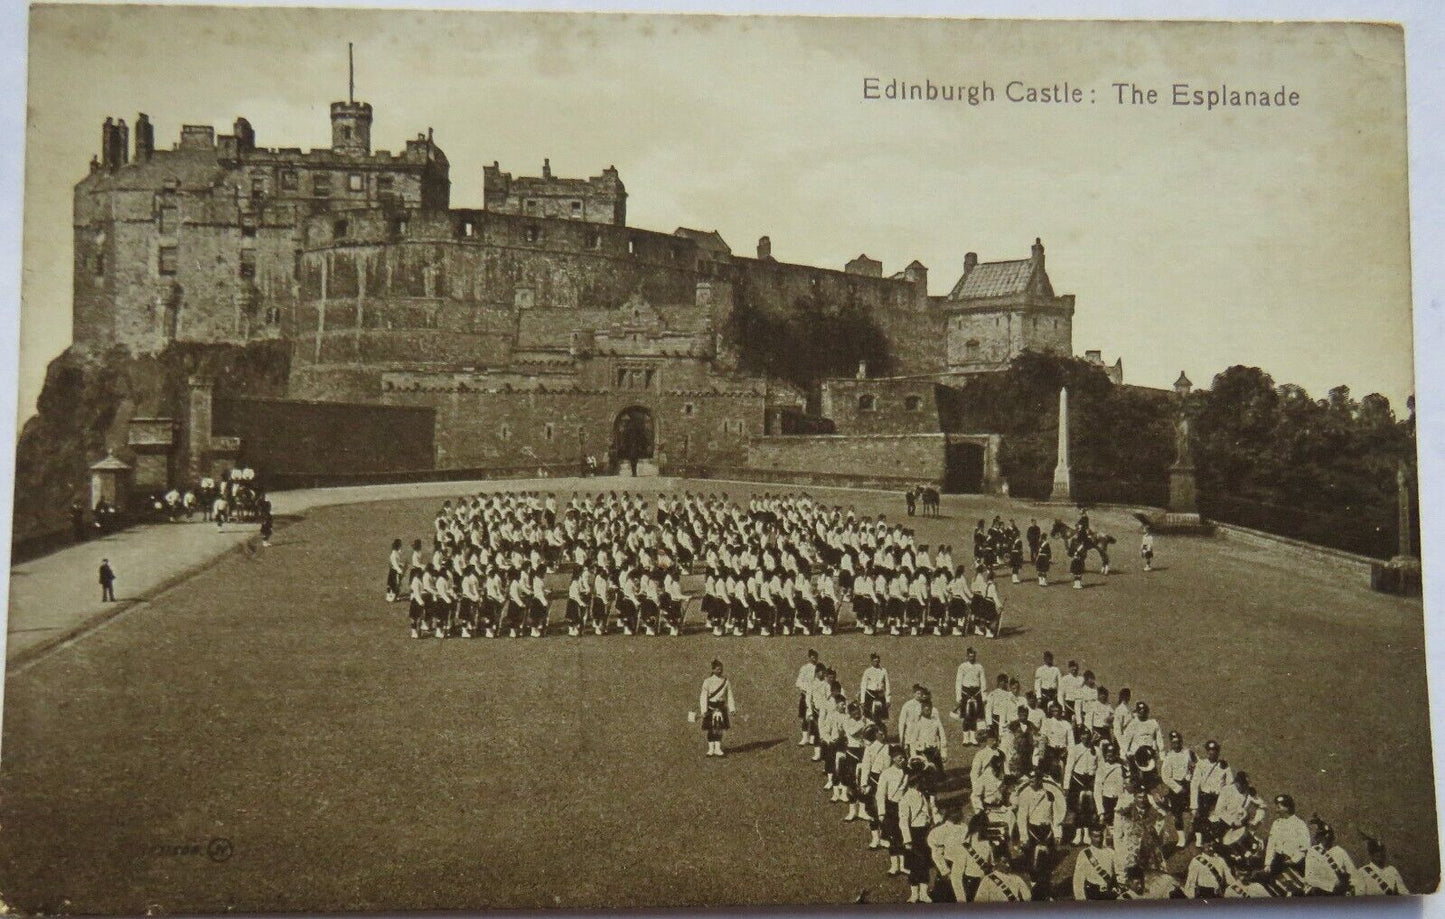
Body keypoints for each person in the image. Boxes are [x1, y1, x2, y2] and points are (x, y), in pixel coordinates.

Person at [899, 762, 939, 902]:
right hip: (914, 834)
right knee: (915, 865)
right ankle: (914, 894)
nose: (924, 783)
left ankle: (924, 893)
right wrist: (907, 840)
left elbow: (930, 810)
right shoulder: (906, 799)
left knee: (925, 864)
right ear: (915, 782)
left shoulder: (923, 794)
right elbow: (903, 821)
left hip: (925, 832)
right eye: (922, 781)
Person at [875, 746, 909, 876]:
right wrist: (882, 813)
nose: (903, 760)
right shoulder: (886, 773)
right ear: (893, 758)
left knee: (904, 836)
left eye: (904, 757)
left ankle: (904, 865)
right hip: (891, 808)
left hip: (904, 808)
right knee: (893, 837)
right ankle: (894, 866)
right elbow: (880, 794)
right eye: (900, 758)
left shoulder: (908, 772)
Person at [1190, 739, 1231, 846]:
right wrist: (1194, 804)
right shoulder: (1201, 764)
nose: (1212, 752)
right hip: (1204, 796)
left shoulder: (1224, 766)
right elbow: (1194, 784)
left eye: (1214, 750)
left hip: (1218, 797)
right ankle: (1199, 839)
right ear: (1207, 751)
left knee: (1215, 819)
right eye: (1209, 750)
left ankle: (1213, 839)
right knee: (1199, 818)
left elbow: (1229, 783)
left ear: (1218, 751)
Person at [1159, 730, 1195, 849]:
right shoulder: (1169, 757)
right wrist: (1178, 788)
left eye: (1178, 742)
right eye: (1174, 743)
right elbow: (1165, 776)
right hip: (1176, 788)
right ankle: (1182, 838)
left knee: (1194, 809)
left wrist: (1191, 775)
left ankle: (1198, 835)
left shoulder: (1188, 752)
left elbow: (1195, 765)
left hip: (1188, 785)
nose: (1176, 745)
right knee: (1177, 814)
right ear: (1170, 743)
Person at [1302, 817, 1355, 896]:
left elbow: (1353, 872)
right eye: (1323, 835)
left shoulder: (1340, 851)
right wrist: (1332, 886)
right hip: (1322, 892)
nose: (1327, 838)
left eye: (1329, 835)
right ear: (1319, 837)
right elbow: (1310, 878)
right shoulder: (1313, 852)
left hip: (1341, 892)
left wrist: (1351, 886)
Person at [1263, 793, 1309, 879]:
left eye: (1279, 806)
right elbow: (1271, 845)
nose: (1276, 809)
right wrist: (1268, 864)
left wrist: (1293, 860)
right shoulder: (1276, 823)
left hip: (1294, 865)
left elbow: (1305, 848)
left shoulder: (1299, 824)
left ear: (1287, 808)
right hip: (1278, 861)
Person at [698, 659, 736, 757]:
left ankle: (718, 749)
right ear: (713, 670)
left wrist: (732, 709)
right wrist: (704, 710)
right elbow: (703, 696)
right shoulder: (707, 681)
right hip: (710, 708)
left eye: (721, 669)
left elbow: (729, 695)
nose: (720, 671)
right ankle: (711, 749)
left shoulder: (726, 681)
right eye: (718, 669)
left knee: (719, 729)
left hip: (721, 708)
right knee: (711, 729)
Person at [1073, 826, 1120, 900]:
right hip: (1093, 894)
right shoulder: (1084, 854)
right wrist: (1081, 899)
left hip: (1109, 894)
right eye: (1096, 836)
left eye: (1101, 836)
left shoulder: (1111, 852)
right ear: (1090, 837)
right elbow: (1078, 880)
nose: (1099, 839)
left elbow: (1118, 872)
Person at [905, 698, 947, 774]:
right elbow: (913, 740)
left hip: (934, 751)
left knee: (939, 774)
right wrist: (914, 755)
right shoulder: (918, 723)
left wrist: (943, 752)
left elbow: (942, 737)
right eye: (926, 710)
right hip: (922, 752)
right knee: (923, 773)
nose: (928, 712)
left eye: (930, 710)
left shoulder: (936, 722)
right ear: (922, 710)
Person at [954, 646, 986, 745]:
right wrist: (958, 696)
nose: (972, 658)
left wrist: (984, 695)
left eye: (973, 656)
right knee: (966, 716)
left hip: (976, 693)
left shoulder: (979, 667)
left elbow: (983, 681)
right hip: (966, 693)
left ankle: (973, 738)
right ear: (967, 656)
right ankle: (965, 738)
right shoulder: (962, 667)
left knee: (974, 716)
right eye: (970, 656)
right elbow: (958, 681)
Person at [860, 653, 891, 732]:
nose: (876, 663)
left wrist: (888, 699)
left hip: (880, 695)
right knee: (869, 716)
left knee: (881, 717)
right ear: (871, 661)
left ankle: (881, 733)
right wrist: (862, 700)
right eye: (874, 661)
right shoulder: (867, 671)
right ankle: (870, 733)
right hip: (870, 695)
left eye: (878, 661)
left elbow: (887, 685)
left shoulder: (883, 671)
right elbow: (863, 685)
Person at [796, 650, 821, 746]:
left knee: (814, 718)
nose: (814, 658)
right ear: (809, 657)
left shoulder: (819, 668)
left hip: (815, 697)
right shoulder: (804, 668)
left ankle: (812, 737)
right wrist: (804, 689)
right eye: (813, 656)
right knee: (804, 718)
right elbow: (798, 682)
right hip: (805, 695)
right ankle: (804, 738)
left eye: (816, 656)